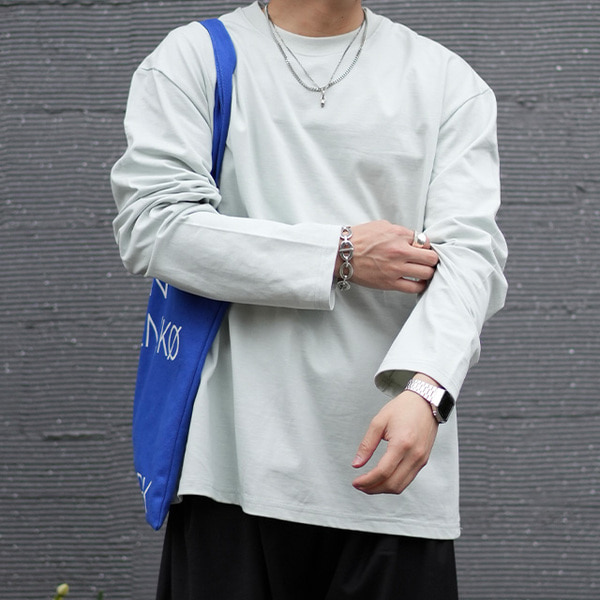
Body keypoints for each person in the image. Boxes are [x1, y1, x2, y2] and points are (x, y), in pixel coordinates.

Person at [111, 0, 507, 598]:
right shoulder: (195, 58)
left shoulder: (447, 80)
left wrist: (427, 391)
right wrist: (338, 253)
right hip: (233, 468)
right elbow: (153, 225)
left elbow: (472, 257)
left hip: (394, 470)